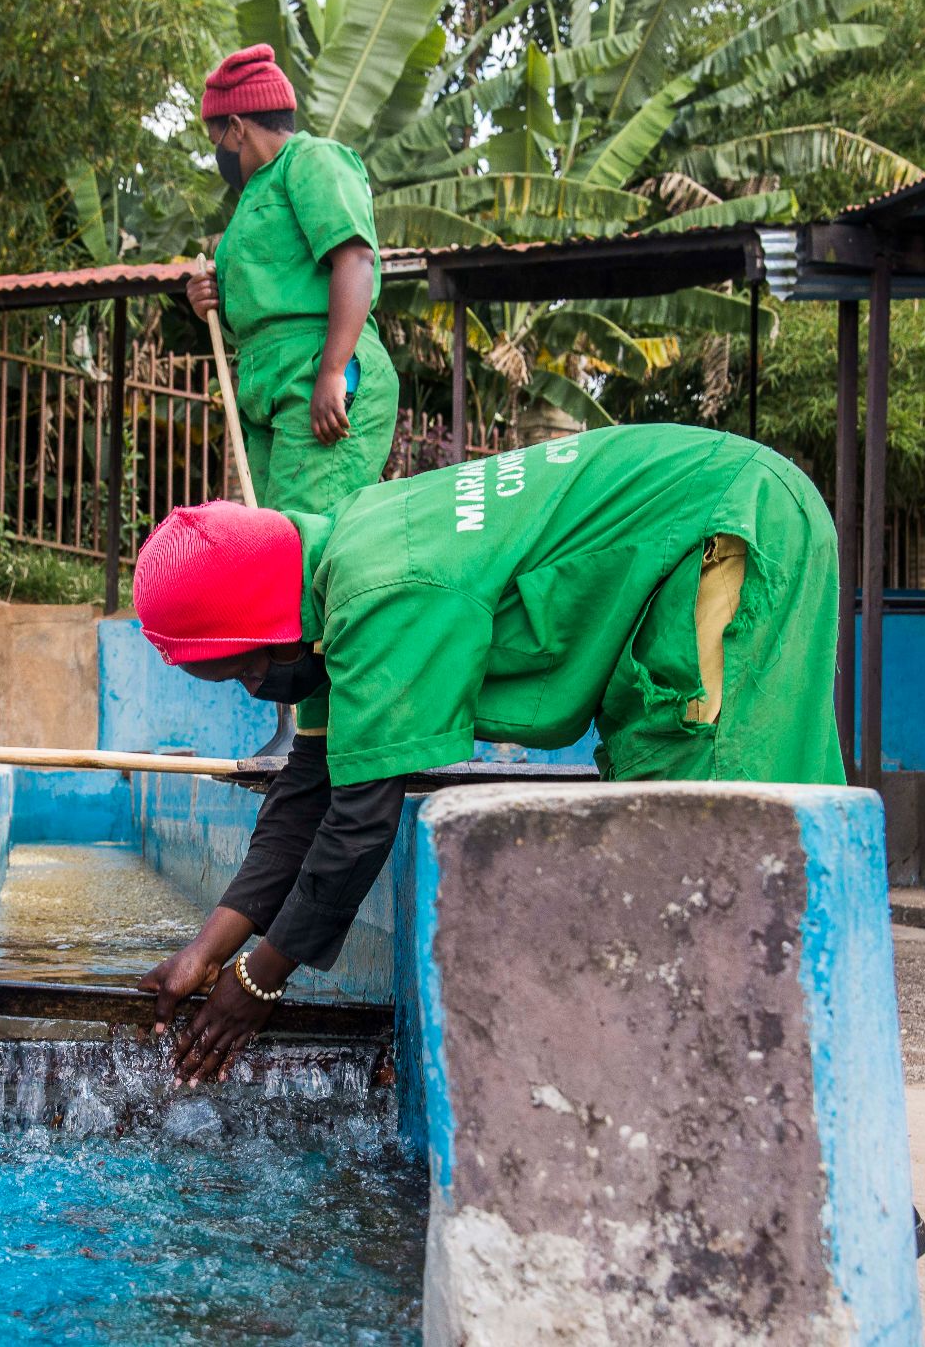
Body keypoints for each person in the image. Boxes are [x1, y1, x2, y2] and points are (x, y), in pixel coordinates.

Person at [133, 423, 845, 1084]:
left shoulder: (381, 589)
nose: (261, 690)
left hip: (727, 523)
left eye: (247, 671)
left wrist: (257, 981)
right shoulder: (326, 582)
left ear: (267, 621)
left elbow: (357, 826)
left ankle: (803, 1162)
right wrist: (207, 951)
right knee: (669, 848)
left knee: (723, 847)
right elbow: (305, 793)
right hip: (680, 541)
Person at [188, 43, 400, 520]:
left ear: (238, 128)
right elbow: (261, 307)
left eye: (216, 140)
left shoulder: (313, 161)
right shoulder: (249, 202)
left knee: (303, 539)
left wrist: (331, 373)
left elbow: (355, 258)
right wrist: (209, 299)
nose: (217, 155)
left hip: (319, 373)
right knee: (274, 543)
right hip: (267, 387)